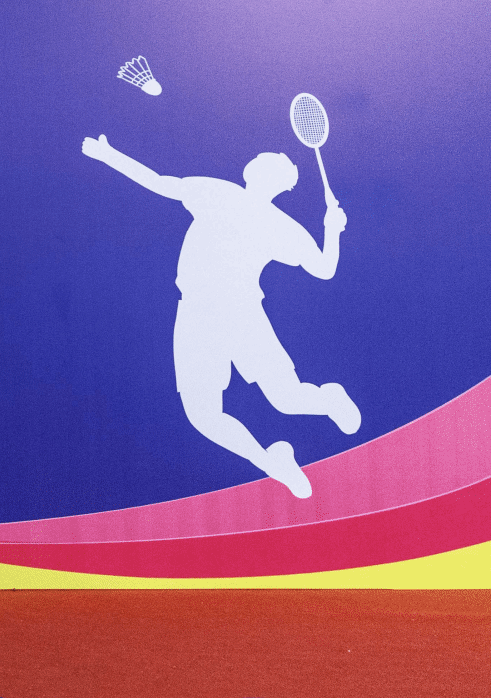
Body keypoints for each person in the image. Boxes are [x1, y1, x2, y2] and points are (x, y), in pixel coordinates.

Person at [82, 134, 358, 498]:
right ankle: (272, 461)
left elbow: (323, 268)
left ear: (270, 177)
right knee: (202, 414)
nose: (258, 157)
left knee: (286, 399)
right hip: (197, 312)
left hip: (241, 313)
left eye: (267, 159)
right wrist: (109, 155)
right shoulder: (216, 192)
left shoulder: (277, 224)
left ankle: (329, 400)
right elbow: (160, 182)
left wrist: (331, 230)